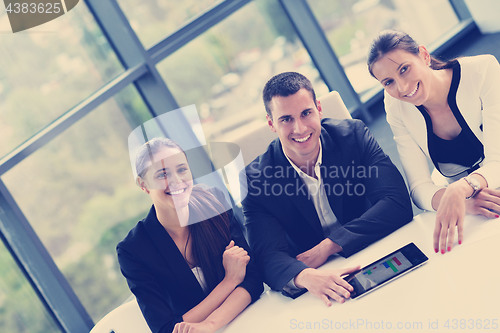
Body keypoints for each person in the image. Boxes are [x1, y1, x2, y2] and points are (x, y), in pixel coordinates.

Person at [240, 72, 413, 306]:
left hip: (372, 252)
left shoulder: (353, 135)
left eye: (306, 113)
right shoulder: (255, 180)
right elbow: (267, 257)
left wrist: (328, 246)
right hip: (315, 282)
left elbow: (397, 202)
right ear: (271, 124)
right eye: (286, 119)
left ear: (318, 109)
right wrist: (305, 276)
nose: (299, 128)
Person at [367, 30, 500, 254]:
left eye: (404, 69)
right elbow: (418, 188)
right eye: (388, 82)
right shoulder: (395, 105)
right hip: (480, 203)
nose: (402, 87)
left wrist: (462, 188)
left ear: (424, 56)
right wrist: (463, 202)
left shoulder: (482, 70)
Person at [117, 138, 263, 333]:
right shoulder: (133, 251)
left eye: (181, 169)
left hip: (250, 319)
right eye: (162, 174)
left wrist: (209, 325)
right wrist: (230, 281)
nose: (176, 181)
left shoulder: (214, 203)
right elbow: (166, 328)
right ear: (143, 185)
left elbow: (253, 279)